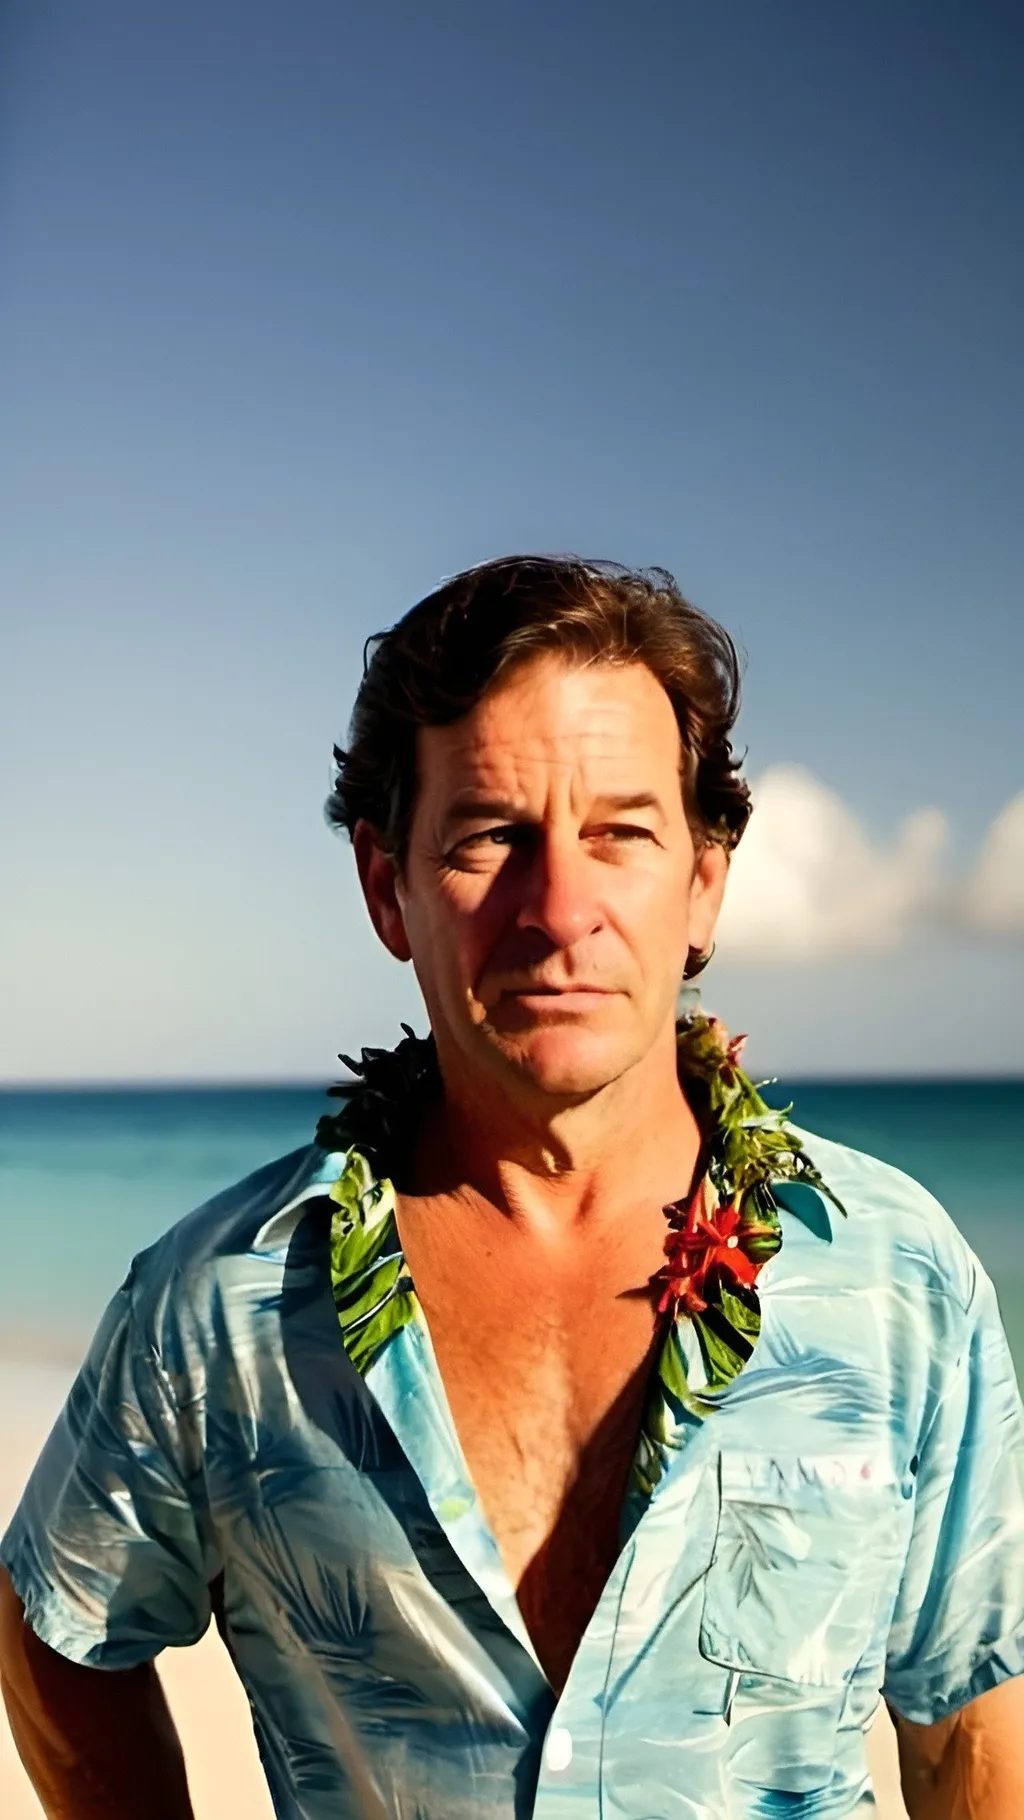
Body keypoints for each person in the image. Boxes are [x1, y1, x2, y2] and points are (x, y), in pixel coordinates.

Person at [2, 555, 1023, 1820]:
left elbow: (965, 1720)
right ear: (389, 884)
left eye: (621, 833)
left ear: (703, 880)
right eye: (492, 836)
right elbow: (56, 1618)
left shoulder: (896, 1277)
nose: (560, 907)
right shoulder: (221, 1306)